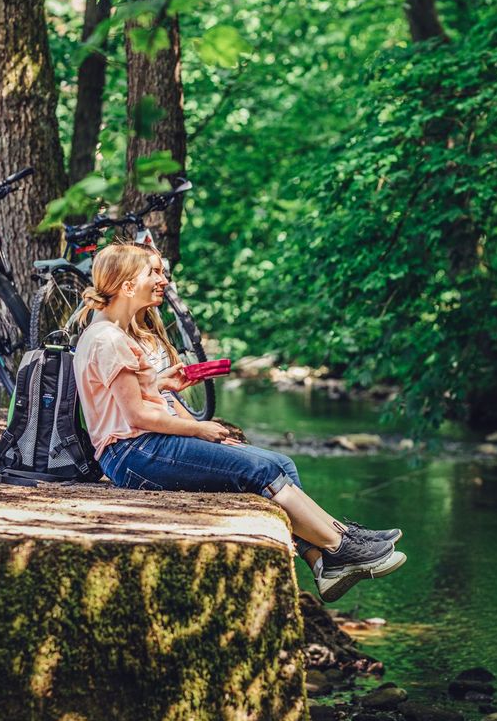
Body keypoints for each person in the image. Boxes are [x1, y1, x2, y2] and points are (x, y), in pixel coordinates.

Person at [73, 243, 406, 602]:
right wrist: (201, 430)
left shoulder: (111, 334)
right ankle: (339, 546)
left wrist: (159, 383)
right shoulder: (109, 339)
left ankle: (325, 558)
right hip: (135, 453)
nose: (162, 279)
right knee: (263, 471)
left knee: (280, 463)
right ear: (126, 286)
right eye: (152, 273)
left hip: (140, 446)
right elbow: (137, 416)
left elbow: (124, 402)